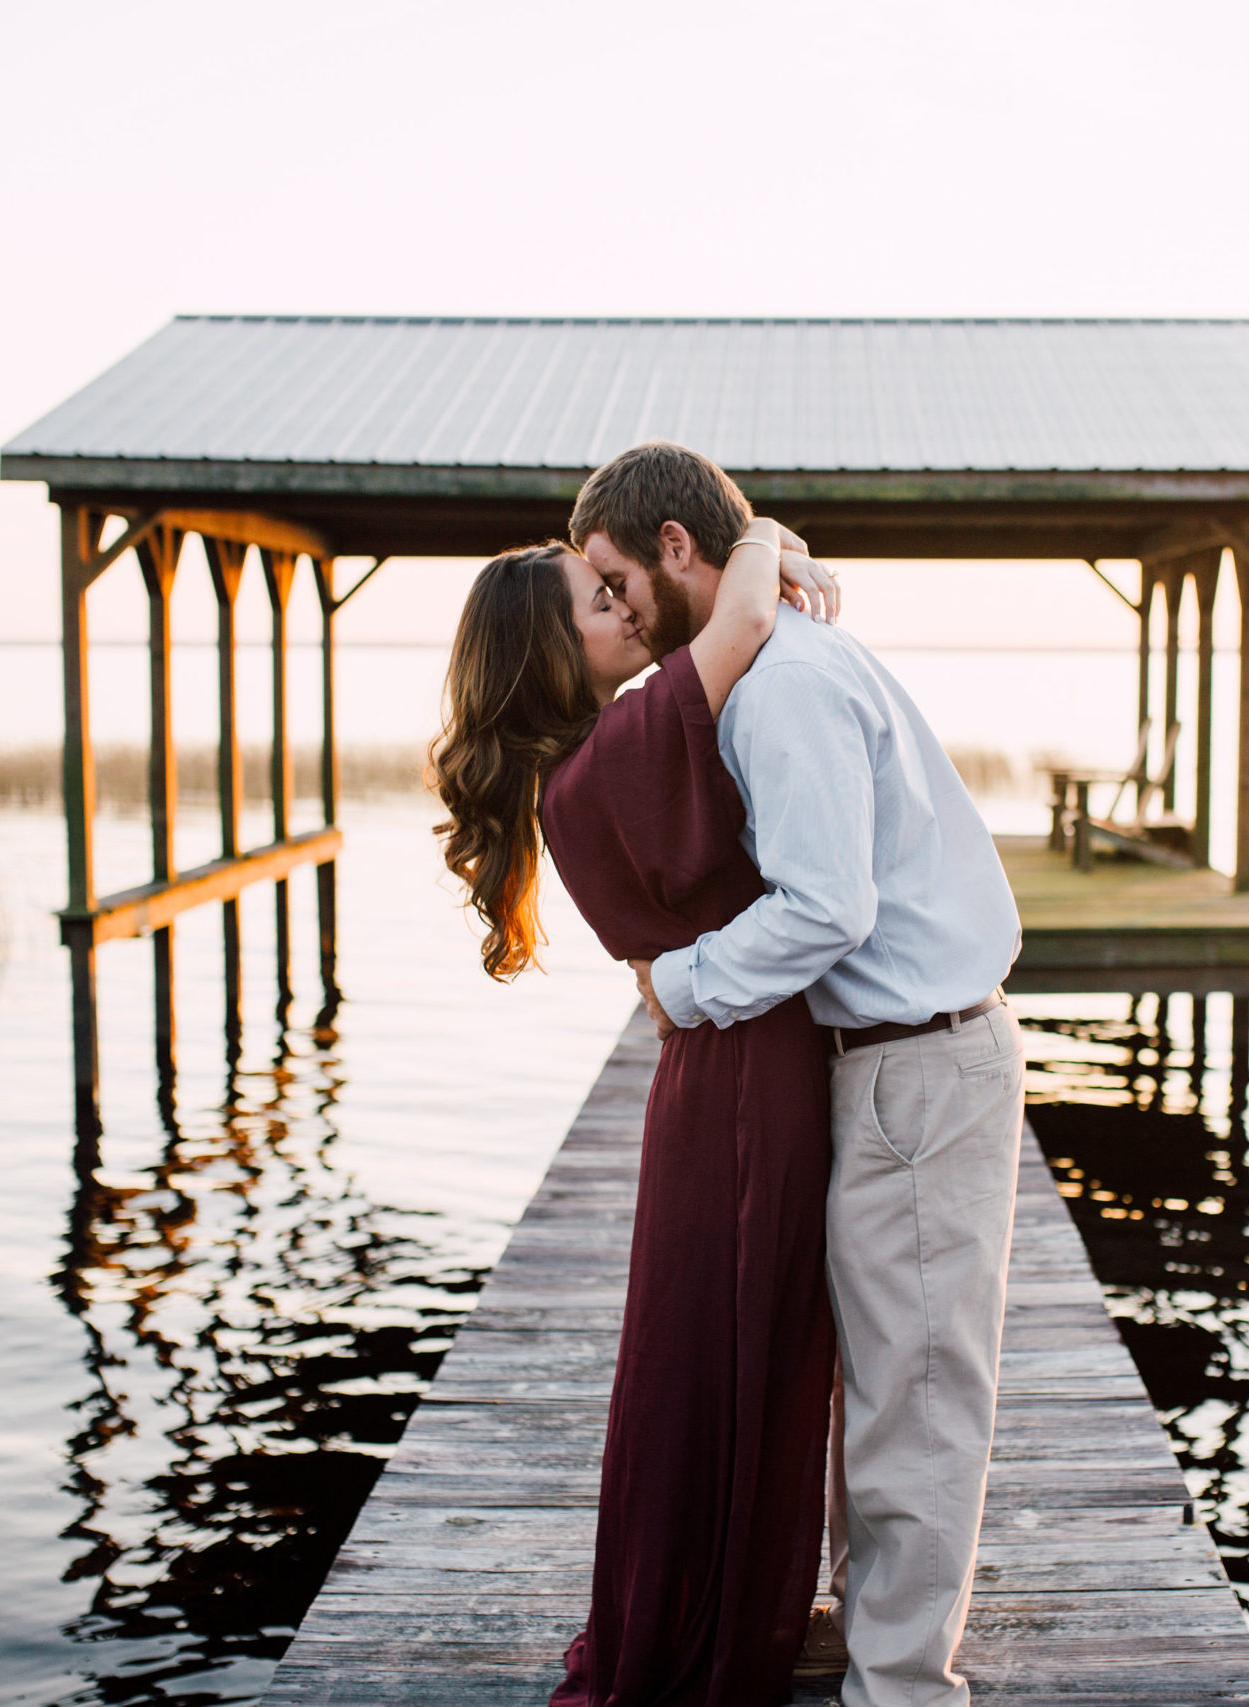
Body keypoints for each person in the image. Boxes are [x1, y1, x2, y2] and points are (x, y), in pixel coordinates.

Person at [571, 443, 1025, 1707]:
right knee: (877, 1377)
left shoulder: (780, 691)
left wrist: (681, 985)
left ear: (675, 550)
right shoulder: (769, 665)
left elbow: (827, 908)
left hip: (920, 1068)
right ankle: (862, 1626)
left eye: (614, 578)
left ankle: (901, 1688)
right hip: (886, 1065)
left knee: (918, 1399)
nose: (610, 608)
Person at [430, 509, 844, 1706]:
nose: (622, 606)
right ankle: (706, 1625)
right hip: (749, 1082)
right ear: (545, 654)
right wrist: (760, 530)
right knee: (732, 1353)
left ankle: (704, 1603)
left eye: (613, 588)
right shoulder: (626, 747)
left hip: (715, 1075)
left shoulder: (589, 765)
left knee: (703, 1357)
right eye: (593, 600)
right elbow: (749, 609)